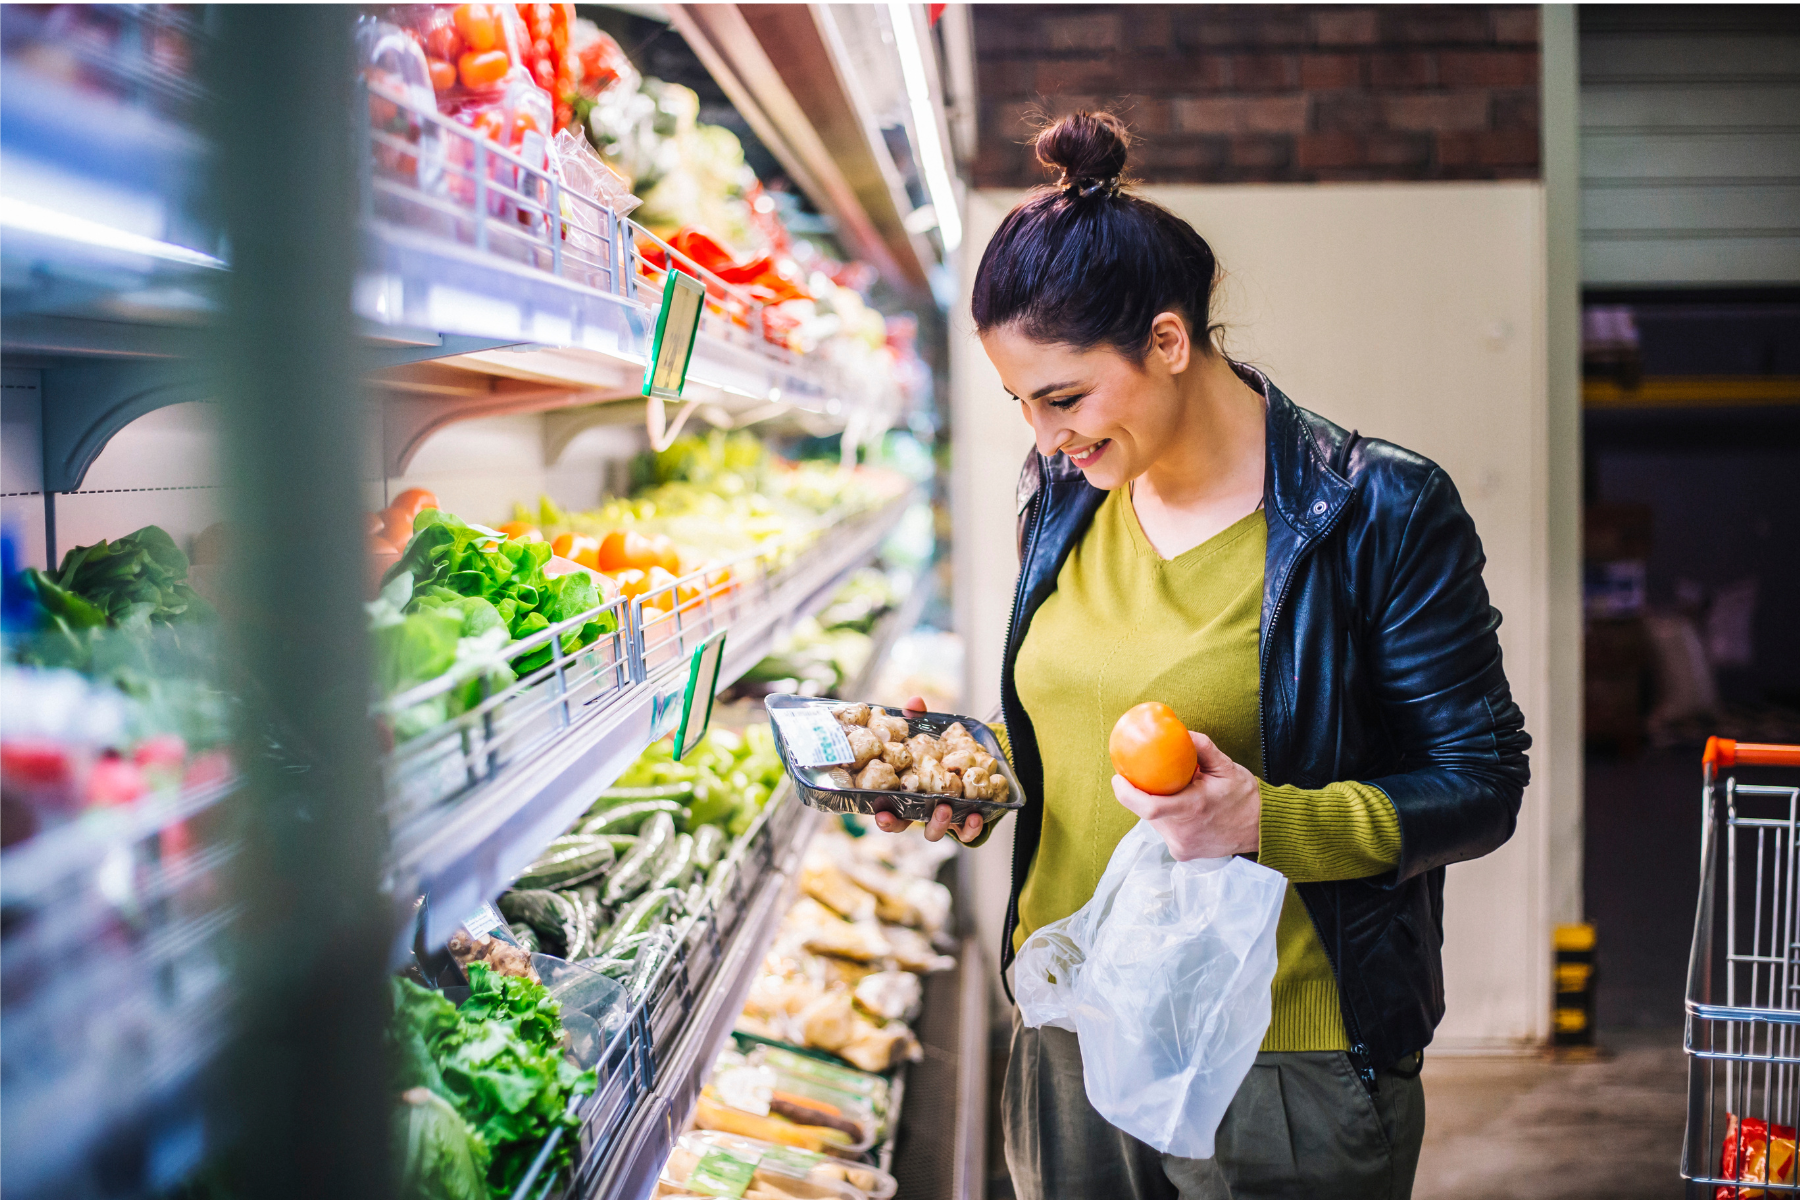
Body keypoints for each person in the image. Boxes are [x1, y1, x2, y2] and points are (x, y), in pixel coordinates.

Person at [871, 111, 1531, 1199]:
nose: (1044, 438)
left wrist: (1265, 821)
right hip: (1068, 1025)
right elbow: (1087, 732)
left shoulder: (1379, 510)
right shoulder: (1066, 500)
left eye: (1064, 396)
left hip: (1280, 1057)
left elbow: (1480, 785)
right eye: (1021, 405)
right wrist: (976, 776)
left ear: (1169, 343)